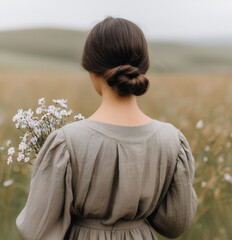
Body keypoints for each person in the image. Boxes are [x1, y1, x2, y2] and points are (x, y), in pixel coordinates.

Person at [16, 16, 198, 240]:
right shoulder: (172, 140)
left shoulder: (66, 142)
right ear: (143, 69)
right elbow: (176, 224)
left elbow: (37, 228)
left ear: (92, 70)